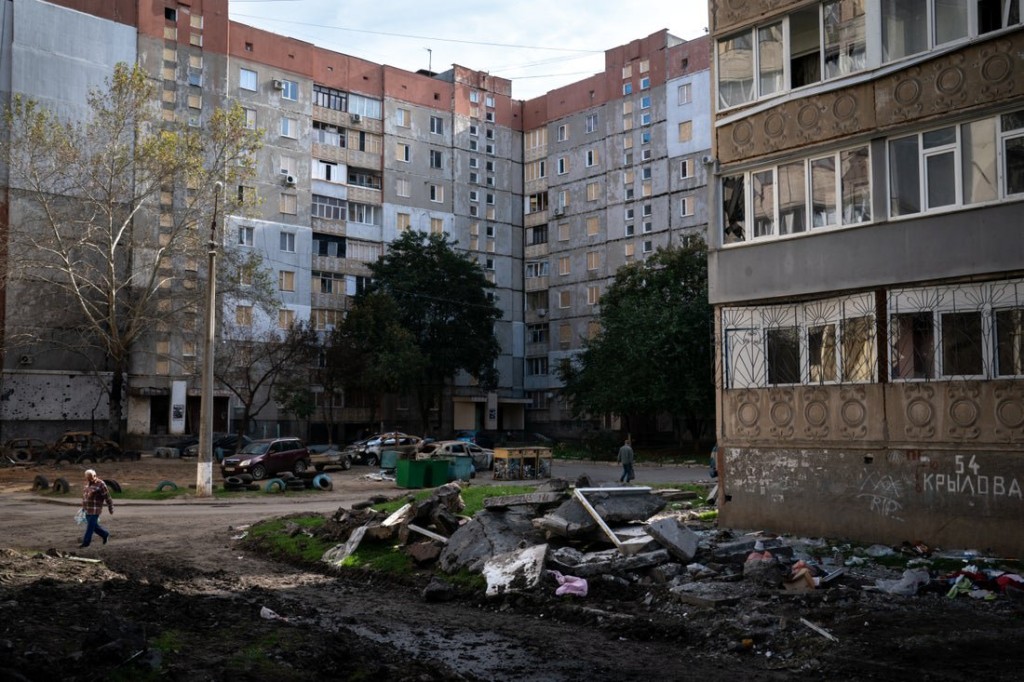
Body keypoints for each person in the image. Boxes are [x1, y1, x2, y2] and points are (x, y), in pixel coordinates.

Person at [80, 469, 114, 547]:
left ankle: (86, 543)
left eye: (91, 477)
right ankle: (105, 534)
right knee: (94, 526)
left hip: (95, 510)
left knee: (90, 527)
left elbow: (107, 497)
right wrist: (83, 507)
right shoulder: (88, 484)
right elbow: (85, 497)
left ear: (95, 475)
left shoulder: (101, 484)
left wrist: (110, 508)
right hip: (87, 509)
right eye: (88, 478)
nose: (89, 479)